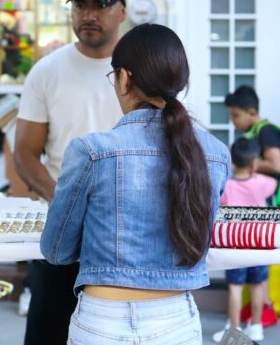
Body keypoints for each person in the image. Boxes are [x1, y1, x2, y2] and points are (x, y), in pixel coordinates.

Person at [41, 24, 230, 344]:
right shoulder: (215, 154)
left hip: (102, 321)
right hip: (175, 322)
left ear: (124, 77)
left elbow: (57, 251)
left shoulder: (91, 151)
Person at [14, 0, 126, 343]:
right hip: (60, 227)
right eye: (80, 5)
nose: (88, 15)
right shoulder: (47, 71)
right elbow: (26, 153)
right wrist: (64, 202)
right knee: (49, 330)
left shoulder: (141, 69)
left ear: (122, 12)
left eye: (100, 5)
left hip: (126, 228)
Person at [212, 138, 276, 342]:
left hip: (235, 246)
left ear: (232, 161)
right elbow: (274, 184)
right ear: (254, 163)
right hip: (259, 244)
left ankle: (234, 328)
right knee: (258, 285)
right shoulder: (263, 183)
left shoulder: (227, 186)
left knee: (235, 289)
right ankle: (256, 326)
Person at [225, 86, 280, 179]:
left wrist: (242, 163)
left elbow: (276, 166)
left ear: (252, 113)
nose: (231, 119)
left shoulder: (266, 131)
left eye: (236, 115)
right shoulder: (253, 132)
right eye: (230, 115)